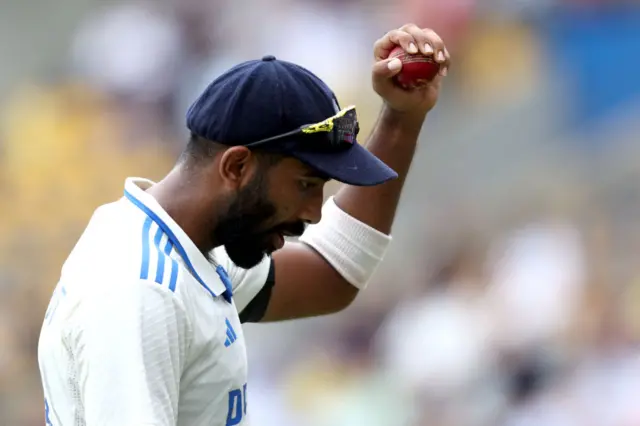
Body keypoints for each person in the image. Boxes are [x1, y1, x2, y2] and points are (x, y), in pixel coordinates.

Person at [38, 23, 450, 426]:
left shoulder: (194, 245)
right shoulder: (141, 291)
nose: (314, 212)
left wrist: (401, 118)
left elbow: (332, 272)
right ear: (237, 166)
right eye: (305, 184)